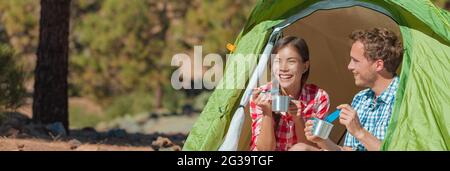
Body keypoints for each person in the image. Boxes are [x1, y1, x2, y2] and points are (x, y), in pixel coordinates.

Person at [290, 28, 403, 151]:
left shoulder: (404, 101)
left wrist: (360, 132)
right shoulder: (361, 98)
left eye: (355, 60)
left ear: (379, 65)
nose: (350, 66)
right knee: (300, 149)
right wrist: (322, 140)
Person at [249, 36, 330, 151]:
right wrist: (267, 112)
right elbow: (264, 150)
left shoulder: (319, 98)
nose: (283, 68)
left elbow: (311, 148)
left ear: (305, 66)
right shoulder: (261, 96)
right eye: (278, 61)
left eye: (291, 61)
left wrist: (298, 119)